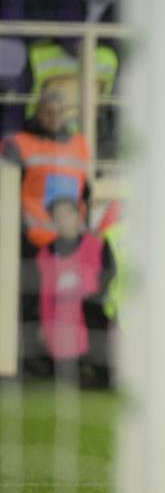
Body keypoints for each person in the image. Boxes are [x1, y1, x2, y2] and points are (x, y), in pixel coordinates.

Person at [34, 196, 115, 388]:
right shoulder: (45, 254)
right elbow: (45, 297)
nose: (63, 220)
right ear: (52, 220)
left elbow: (96, 286)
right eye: (58, 216)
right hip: (61, 330)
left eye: (68, 214)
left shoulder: (94, 245)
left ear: (79, 216)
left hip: (89, 327)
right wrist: (45, 326)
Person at [1, 90, 89, 251]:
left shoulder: (80, 145)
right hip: (30, 240)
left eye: (60, 112)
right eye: (49, 112)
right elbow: (6, 193)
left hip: (70, 242)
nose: (55, 117)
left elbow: (85, 193)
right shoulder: (17, 145)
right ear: (38, 113)